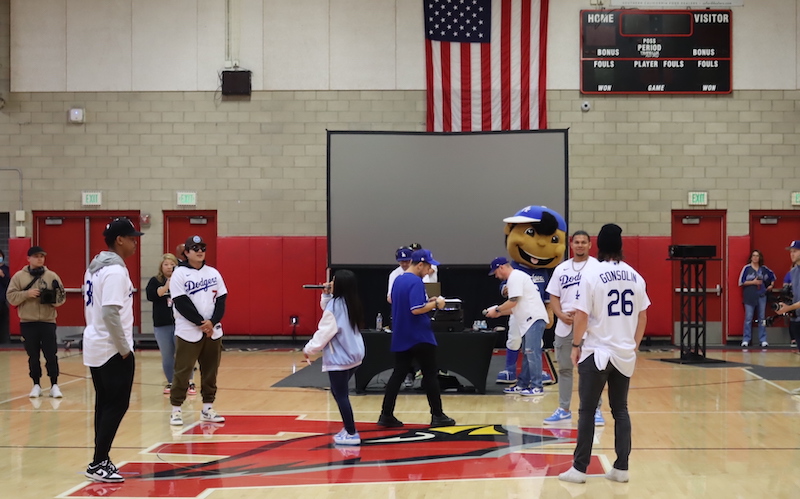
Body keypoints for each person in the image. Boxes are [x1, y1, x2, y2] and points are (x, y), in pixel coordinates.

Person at [559, 224, 650, 484]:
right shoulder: (636, 276)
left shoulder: (592, 274)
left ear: (598, 247)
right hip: (623, 354)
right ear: (621, 246)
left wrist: (576, 346)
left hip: (596, 351)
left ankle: (579, 469)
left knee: (586, 411)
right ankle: (621, 468)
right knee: (620, 410)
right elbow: (643, 316)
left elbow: (583, 315)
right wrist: (633, 345)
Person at [82, 218, 142, 482]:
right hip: (112, 349)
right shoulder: (116, 271)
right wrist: (124, 348)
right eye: (131, 238)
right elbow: (110, 313)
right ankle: (98, 462)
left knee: (104, 405)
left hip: (95, 344)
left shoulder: (94, 268)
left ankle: (101, 458)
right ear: (119, 240)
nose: (135, 242)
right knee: (116, 405)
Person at [377, 248, 455, 428]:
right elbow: (416, 309)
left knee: (397, 374)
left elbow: (405, 305)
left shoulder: (398, 280)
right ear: (420, 265)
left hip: (401, 333)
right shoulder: (416, 282)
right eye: (429, 267)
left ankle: (386, 414)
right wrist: (436, 303)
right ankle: (437, 415)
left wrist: (428, 302)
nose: (430, 271)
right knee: (430, 375)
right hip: (419, 335)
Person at [544, 231, 604, 425]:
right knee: (564, 369)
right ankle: (564, 408)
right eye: (576, 242)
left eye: (583, 242)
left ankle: (595, 410)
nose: (579, 245)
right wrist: (560, 314)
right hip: (565, 325)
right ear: (571, 245)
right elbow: (553, 295)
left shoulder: (598, 268)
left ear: (590, 245)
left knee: (593, 371)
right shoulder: (561, 269)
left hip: (590, 326)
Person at [169, 235, 228, 426]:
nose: (200, 251)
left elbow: (221, 300)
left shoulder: (213, 273)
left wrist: (212, 322)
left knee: (210, 371)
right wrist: (201, 323)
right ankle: (176, 409)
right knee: (183, 371)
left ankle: (207, 408)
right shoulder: (179, 273)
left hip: (213, 331)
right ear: (186, 253)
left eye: (202, 247)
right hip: (188, 330)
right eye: (195, 248)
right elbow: (181, 302)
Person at [303, 270, 366, 445]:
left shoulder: (336, 306)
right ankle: (348, 427)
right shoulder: (349, 302)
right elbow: (330, 313)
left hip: (341, 357)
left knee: (341, 394)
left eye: (333, 281)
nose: (329, 282)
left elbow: (325, 331)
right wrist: (326, 296)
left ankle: (352, 432)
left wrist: (309, 348)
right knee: (338, 391)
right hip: (355, 354)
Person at [6, 246, 66, 398]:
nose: (39, 259)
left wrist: (52, 301)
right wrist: (27, 294)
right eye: (36, 256)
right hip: (28, 322)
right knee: (33, 355)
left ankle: (54, 384)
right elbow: (11, 297)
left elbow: (62, 296)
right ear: (28, 258)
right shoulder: (19, 277)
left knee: (51, 354)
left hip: (47, 321)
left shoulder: (52, 276)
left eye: (42, 256)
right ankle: (36, 384)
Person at [485, 256, 548, 397]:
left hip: (534, 320)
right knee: (527, 354)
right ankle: (522, 384)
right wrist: (498, 313)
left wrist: (497, 310)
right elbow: (515, 307)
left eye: (496, 273)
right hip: (529, 320)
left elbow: (513, 301)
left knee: (532, 353)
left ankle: (537, 386)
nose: (496, 276)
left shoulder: (515, 277)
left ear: (501, 267)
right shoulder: (517, 277)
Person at [146, 253, 180, 393]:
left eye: (172, 264)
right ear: (161, 266)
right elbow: (151, 295)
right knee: (167, 355)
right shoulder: (155, 280)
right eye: (166, 264)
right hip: (162, 324)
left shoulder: (182, 280)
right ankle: (171, 382)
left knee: (183, 354)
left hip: (180, 323)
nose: (169, 267)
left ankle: (188, 381)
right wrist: (166, 286)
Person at [738, 250, 775, 348]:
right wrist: (753, 282)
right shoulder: (746, 268)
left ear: (760, 258)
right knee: (748, 318)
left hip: (762, 295)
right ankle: (746, 339)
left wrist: (771, 285)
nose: (755, 258)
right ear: (751, 257)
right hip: (750, 296)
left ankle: (763, 339)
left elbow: (772, 277)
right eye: (753, 256)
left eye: (757, 256)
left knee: (762, 318)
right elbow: (741, 282)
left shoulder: (764, 269)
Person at [776, 240, 800, 355]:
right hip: (797, 317)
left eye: (795, 251)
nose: (792, 254)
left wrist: (788, 308)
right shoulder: (793, 272)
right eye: (791, 252)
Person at [0, 249, 10, 344]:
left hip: (2, 300)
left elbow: (9, 284)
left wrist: (2, 276)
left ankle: (4, 342)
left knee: (3, 323)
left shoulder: (6, 269)